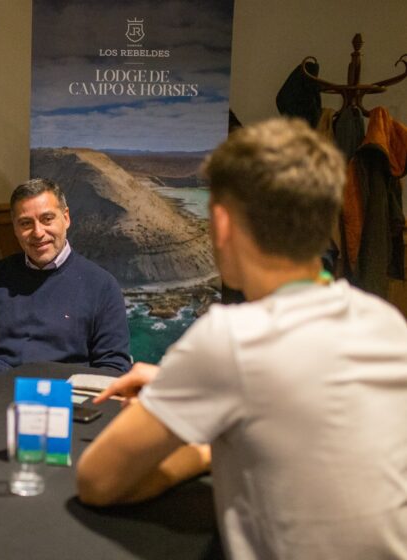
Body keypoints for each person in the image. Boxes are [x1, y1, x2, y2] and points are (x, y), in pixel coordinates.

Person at [76, 119, 407, 559]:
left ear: (222, 224)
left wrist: (206, 446)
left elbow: (97, 481)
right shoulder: (386, 323)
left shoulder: (230, 339)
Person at [0, 178, 132, 388]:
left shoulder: (102, 285)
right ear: (15, 227)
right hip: (1, 389)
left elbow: (113, 364)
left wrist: (58, 390)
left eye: (47, 219)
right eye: (26, 223)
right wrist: (17, 381)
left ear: (66, 218)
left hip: (69, 396)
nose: (38, 233)